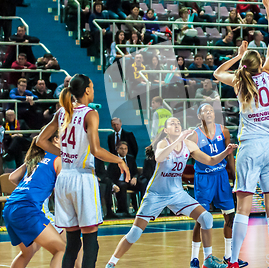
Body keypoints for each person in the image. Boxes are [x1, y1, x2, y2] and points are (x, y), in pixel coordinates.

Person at [105, 117, 237, 268]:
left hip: (176, 193)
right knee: (135, 232)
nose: (177, 125)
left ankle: (207, 259)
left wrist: (226, 152)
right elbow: (159, 156)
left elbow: (211, 160)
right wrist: (179, 139)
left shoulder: (188, 144)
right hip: (156, 194)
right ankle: (111, 263)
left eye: (178, 123)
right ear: (166, 131)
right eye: (172, 123)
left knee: (206, 218)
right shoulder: (163, 143)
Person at [215, 0, 269, 268]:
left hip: (250, 147)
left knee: (243, 208)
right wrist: (268, 7)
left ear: (244, 66)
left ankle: (232, 259)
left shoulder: (239, 81)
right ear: (261, 64)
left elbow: (218, 72)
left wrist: (237, 55)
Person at [37, 74, 130, 268]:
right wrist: (119, 160)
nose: (94, 91)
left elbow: (40, 141)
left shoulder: (62, 112)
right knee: (90, 242)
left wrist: (64, 154)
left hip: (64, 180)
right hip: (82, 179)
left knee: (72, 243)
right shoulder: (90, 113)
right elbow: (96, 150)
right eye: (93, 87)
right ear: (87, 90)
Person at [188, 104, 246, 268]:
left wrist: (234, 177)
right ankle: (194, 258)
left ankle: (229, 256)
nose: (209, 113)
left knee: (230, 217)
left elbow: (230, 157)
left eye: (211, 111)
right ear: (199, 116)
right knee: (201, 220)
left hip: (221, 177)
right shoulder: (194, 135)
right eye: (205, 111)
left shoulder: (224, 131)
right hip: (204, 178)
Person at [3, 132, 65, 268]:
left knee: (28, 252)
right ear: (55, 140)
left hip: (10, 206)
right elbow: (61, 193)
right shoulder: (59, 159)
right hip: (27, 208)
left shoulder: (35, 157)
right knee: (61, 249)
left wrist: (31, 187)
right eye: (63, 136)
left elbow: (12, 178)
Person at [108, 141, 144, 217]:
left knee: (142, 184)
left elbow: (135, 172)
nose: (124, 150)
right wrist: (113, 184)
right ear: (117, 150)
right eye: (121, 149)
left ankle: (142, 209)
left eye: (125, 149)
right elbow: (109, 175)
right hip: (118, 181)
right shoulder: (113, 159)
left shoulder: (130, 158)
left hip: (130, 181)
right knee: (123, 185)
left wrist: (135, 177)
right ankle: (123, 210)